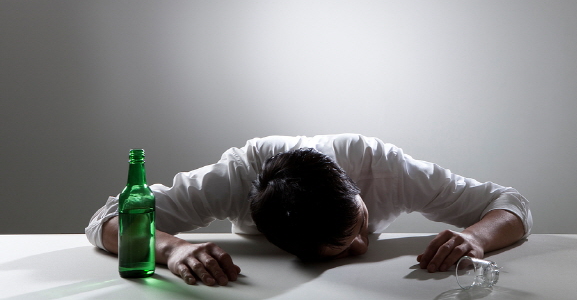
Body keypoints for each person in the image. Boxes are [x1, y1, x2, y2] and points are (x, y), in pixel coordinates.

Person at [86, 134, 532, 286]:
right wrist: (172, 249)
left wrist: (476, 237)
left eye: (360, 224)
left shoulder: (383, 168)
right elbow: (105, 218)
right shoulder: (235, 178)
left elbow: (511, 203)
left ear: (356, 188)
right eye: (341, 248)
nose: (362, 247)